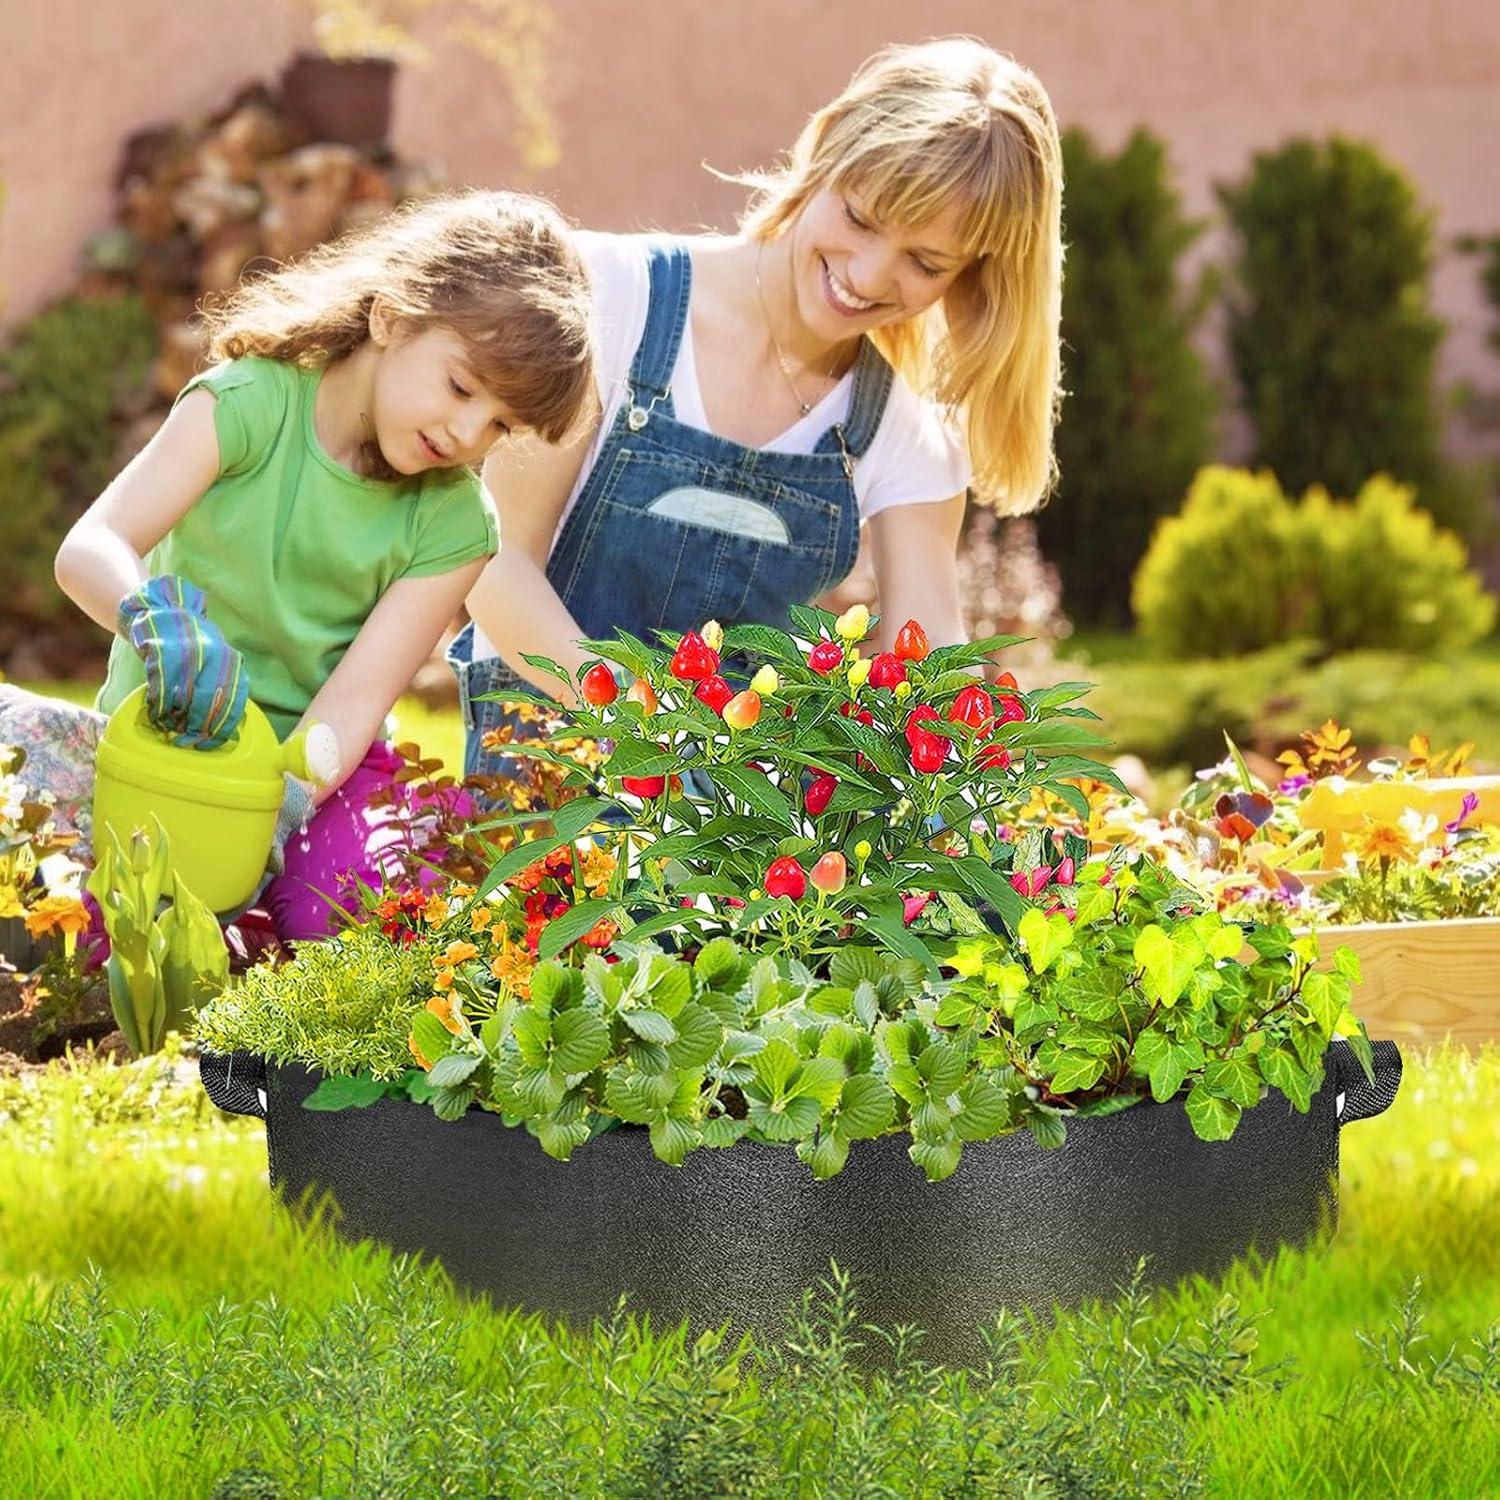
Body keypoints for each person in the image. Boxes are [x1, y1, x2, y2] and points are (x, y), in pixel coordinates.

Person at [448, 37, 1064, 780]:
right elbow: (493, 562)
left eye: (925, 262)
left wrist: (988, 771)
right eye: (861, 219)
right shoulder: (610, 300)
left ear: (971, 275)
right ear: (828, 151)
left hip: (732, 832)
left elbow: (926, 669)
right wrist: (650, 735)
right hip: (545, 782)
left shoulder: (906, 430)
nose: (868, 275)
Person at [49, 189, 594, 940]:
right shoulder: (249, 403)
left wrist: (265, 813)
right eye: (462, 385)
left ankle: (284, 916)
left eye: (502, 423)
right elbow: (91, 546)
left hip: (316, 776)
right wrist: (151, 621)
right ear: (392, 317)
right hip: (171, 739)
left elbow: (351, 705)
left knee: (343, 934)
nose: (469, 432)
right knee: (129, 949)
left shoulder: (457, 522)